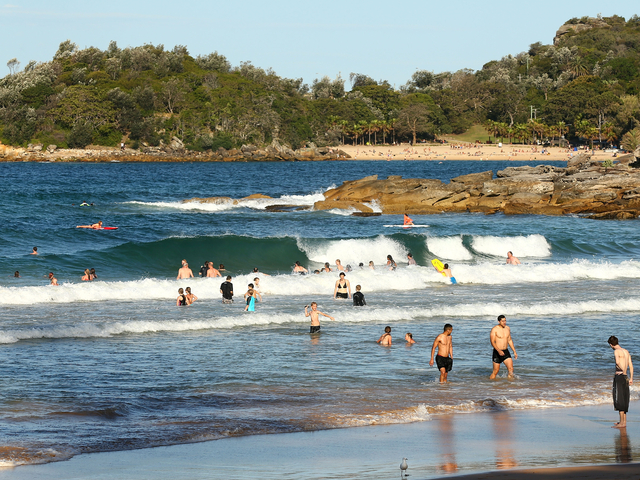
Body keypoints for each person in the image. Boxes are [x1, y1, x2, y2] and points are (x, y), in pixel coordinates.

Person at [609, 336, 634, 428]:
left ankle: (622, 424)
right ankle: (623, 422)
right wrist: (631, 378)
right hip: (626, 377)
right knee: (625, 398)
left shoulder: (616, 351)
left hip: (619, 376)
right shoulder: (626, 351)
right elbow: (631, 366)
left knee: (619, 398)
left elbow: (618, 362)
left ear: (611, 344)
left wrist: (622, 370)